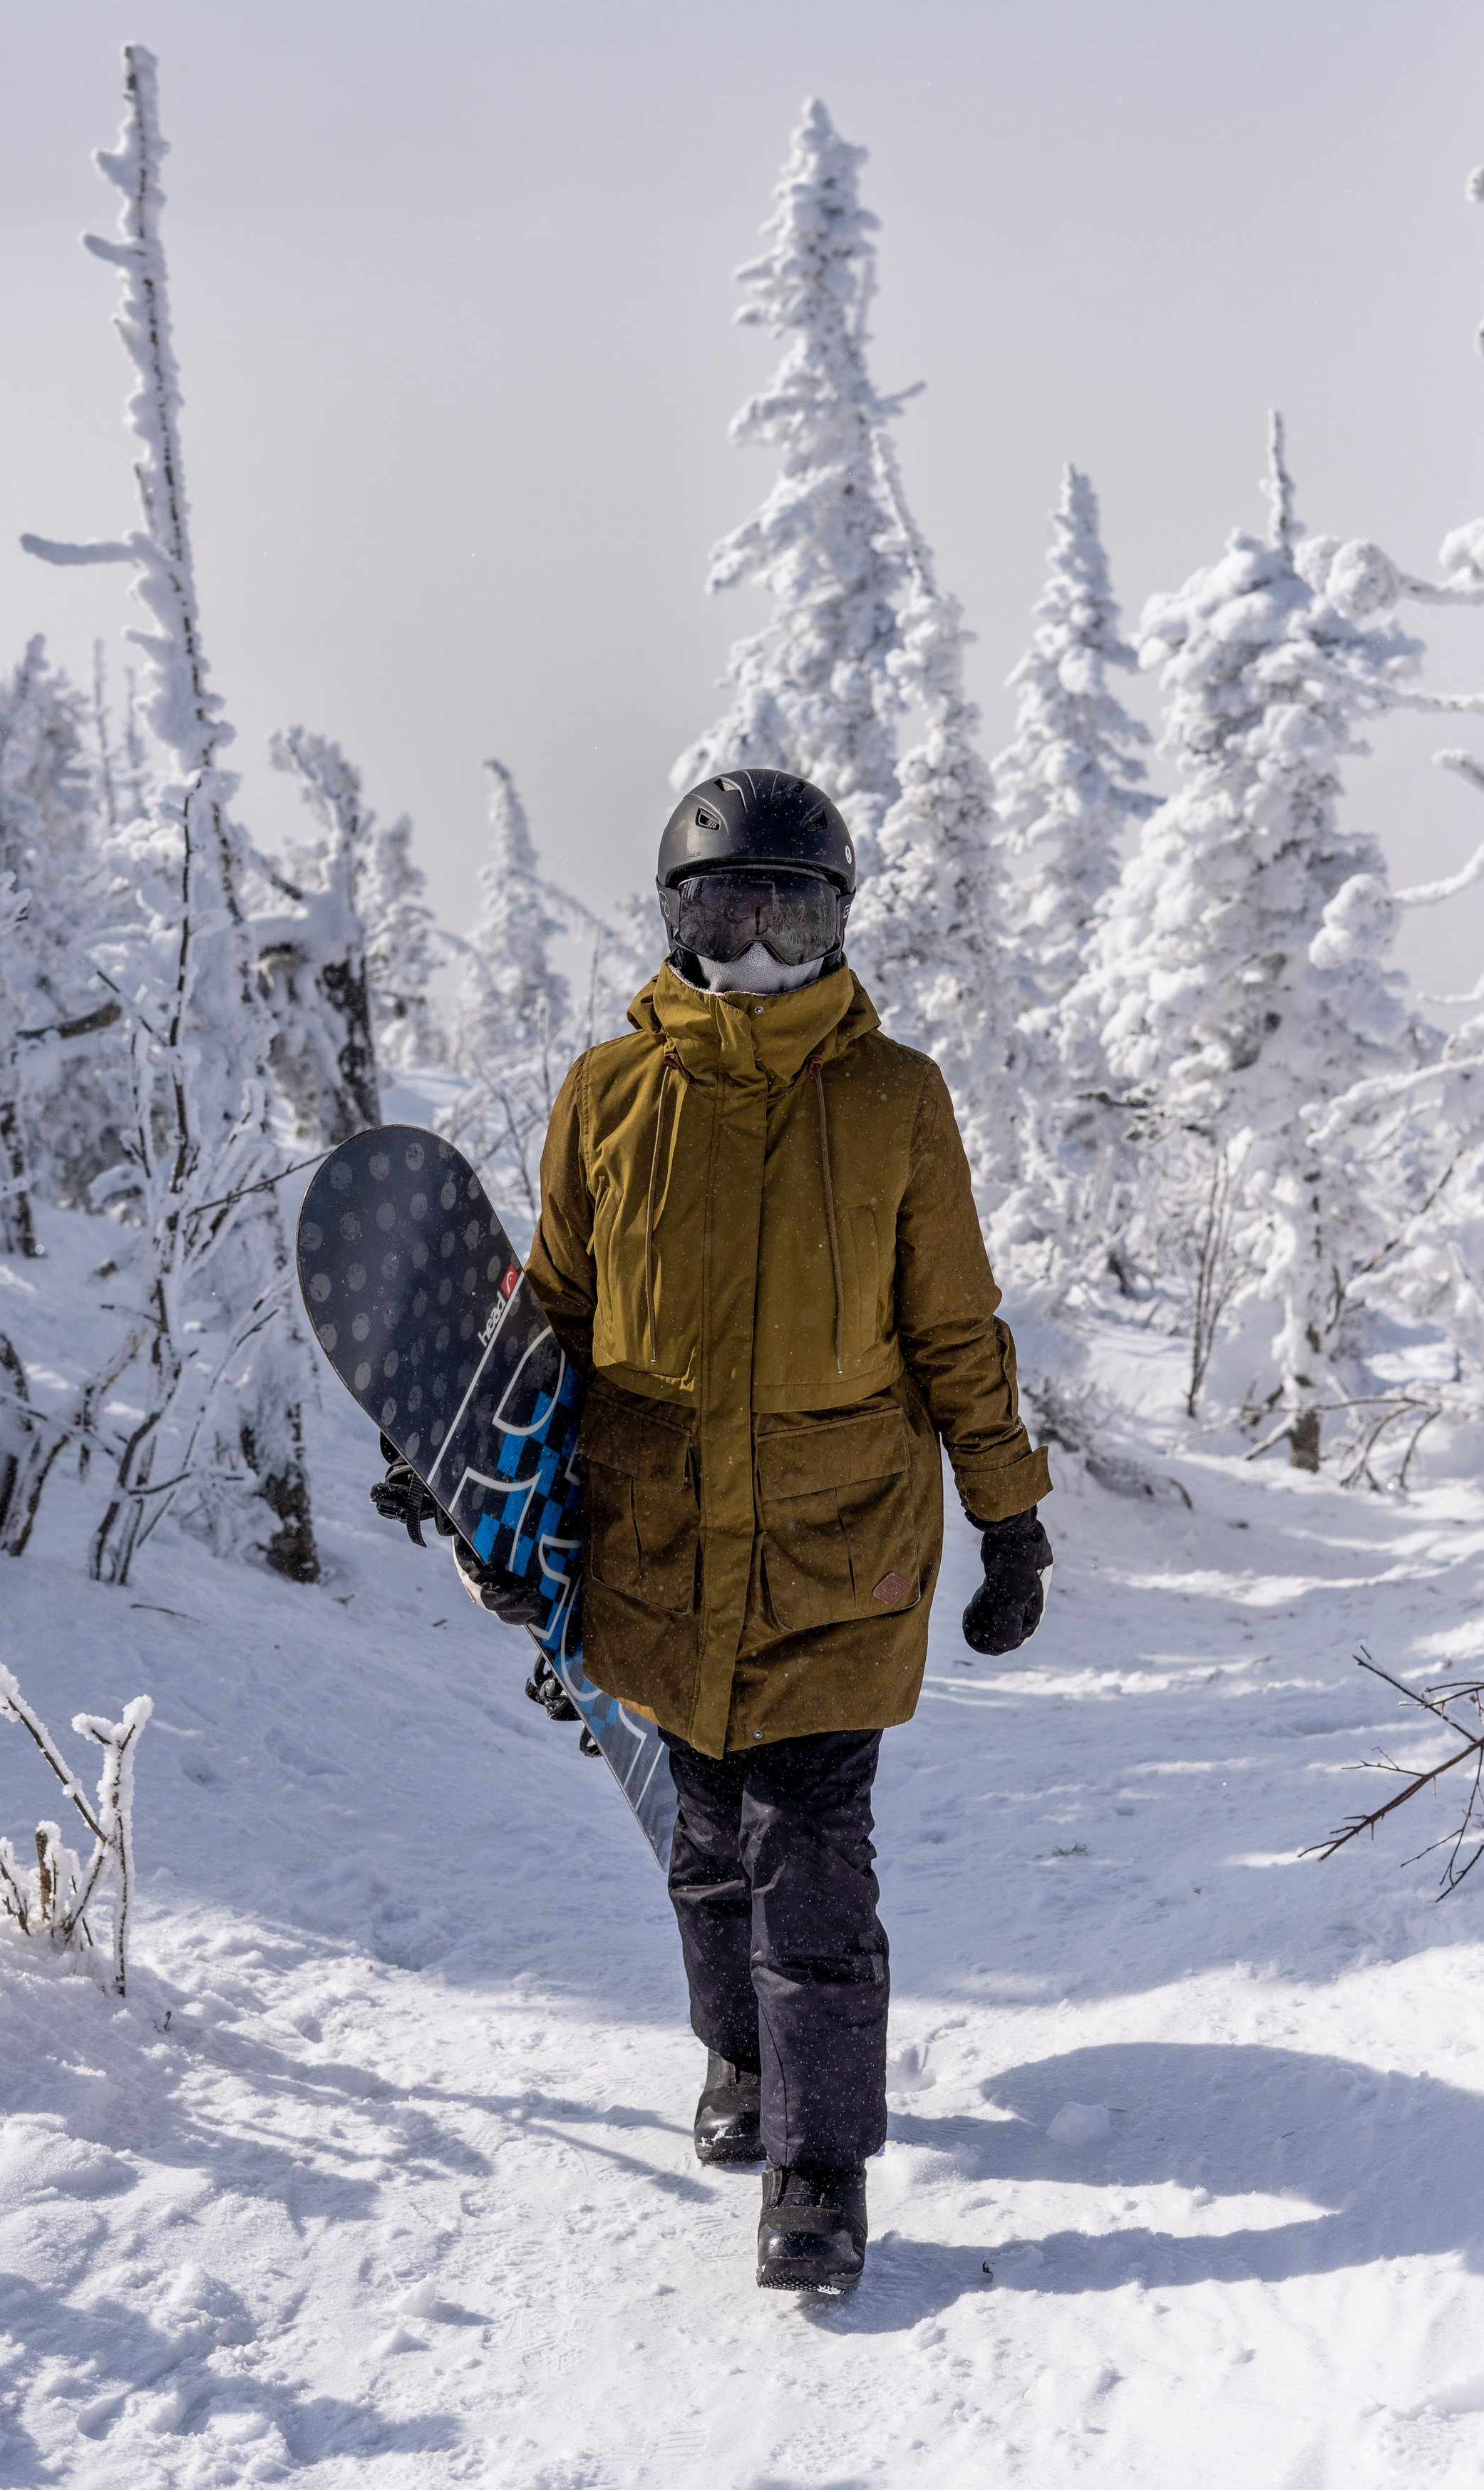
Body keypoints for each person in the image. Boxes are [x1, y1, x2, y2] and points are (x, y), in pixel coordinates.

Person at [486, 767, 1051, 2292]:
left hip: (832, 1547)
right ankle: (738, 2068)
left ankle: (818, 2167)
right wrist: (485, 1475)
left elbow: (954, 1328)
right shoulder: (607, 1093)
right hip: (657, 1544)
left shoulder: (893, 1098)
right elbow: (550, 1308)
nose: (749, 952)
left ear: (832, 924)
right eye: (718, 914)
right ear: (674, 923)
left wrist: (1010, 1517)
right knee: (704, 1848)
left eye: (783, 913)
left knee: (807, 1858)